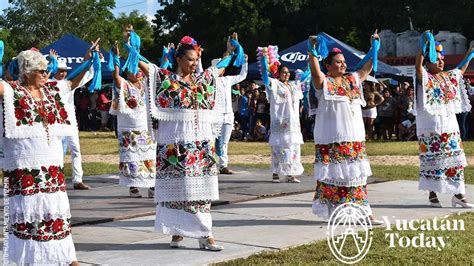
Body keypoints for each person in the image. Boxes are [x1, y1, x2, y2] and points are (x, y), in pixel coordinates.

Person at [0, 46, 98, 264]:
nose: (46, 74)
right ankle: (33, 260)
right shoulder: (12, 91)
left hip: (52, 171)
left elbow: (72, 82)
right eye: (41, 70)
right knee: (30, 219)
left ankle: (68, 258)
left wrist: (88, 61)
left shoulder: (52, 91)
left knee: (56, 217)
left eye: (46, 70)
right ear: (26, 72)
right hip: (25, 170)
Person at [152, 35, 227, 251]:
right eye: (189, 59)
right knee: (178, 189)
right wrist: (133, 51)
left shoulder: (203, 80)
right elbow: (149, 68)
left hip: (200, 143)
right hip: (175, 142)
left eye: (196, 59)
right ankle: (177, 230)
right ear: (178, 59)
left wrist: (232, 52)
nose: (193, 64)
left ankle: (205, 234)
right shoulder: (166, 79)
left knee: (200, 191)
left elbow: (222, 67)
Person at [308, 32, 382, 223]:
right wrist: (312, 50)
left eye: (343, 62)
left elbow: (366, 68)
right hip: (331, 140)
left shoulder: (353, 80)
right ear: (328, 65)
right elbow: (315, 72)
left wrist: (375, 46)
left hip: (354, 139)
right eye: (338, 62)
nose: (343, 64)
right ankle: (337, 211)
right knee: (333, 177)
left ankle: (366, 213)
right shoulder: (324, 83)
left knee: (357, 178)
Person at [415, 31, 473, 208]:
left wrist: (471, 51)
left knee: (455, 161)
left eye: (442, 59)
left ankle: (459, 195)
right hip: (430, 128)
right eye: (437, 58)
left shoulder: (448, 77)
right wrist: (422, 47)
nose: (441, 61)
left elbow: (462, 68)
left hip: (449, 127)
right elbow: (418, 66)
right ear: (428, 61)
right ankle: (433, 195)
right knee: (433, 161)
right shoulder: (424, 77)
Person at [109, 27, 157, 199]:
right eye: (132, 69)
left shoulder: (145, 84)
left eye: (137, 69)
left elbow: (150, 69)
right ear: (127, 71)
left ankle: (152, 186)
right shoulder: (124, 84)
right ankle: (133, 187)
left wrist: (132, 44)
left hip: (145, 125)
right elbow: (115, 76)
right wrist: (115, 58)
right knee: (132, 157)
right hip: (128, 127)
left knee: (149, 155)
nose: (136, 72)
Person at [261, 60, 305, 183]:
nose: (286, 75)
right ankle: (276, 172)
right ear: (279, 74)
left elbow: (306, 76)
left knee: (293, 147)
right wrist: (264, 61)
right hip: (280, 121)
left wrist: (312, 57)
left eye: (288, 73)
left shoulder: (293, 86)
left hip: (293, 123)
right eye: (284, 73)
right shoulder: (274, 84)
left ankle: (290, 174)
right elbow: (264, 76)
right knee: (278, 147)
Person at [53, 57, 92, 190]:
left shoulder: (68, 83)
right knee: (58, 152)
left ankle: (77, 180)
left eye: (65, 71)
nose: (63, 73)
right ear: (53, 70)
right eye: (60, 71)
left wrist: (90, 58)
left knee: (76, 150)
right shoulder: (47, 84)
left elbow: (83, 74)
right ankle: (56, 179)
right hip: (55, 124)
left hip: (70, 123)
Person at [214, 33, 248, 174]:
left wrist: (245, 62)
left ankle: (223, 165)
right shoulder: (211, 79)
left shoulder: (227, 79)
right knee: (215, 140)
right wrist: (229, 51)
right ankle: (213, 163)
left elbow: (242, 76)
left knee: (225, 141)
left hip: (228, 114)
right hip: (215, 114)